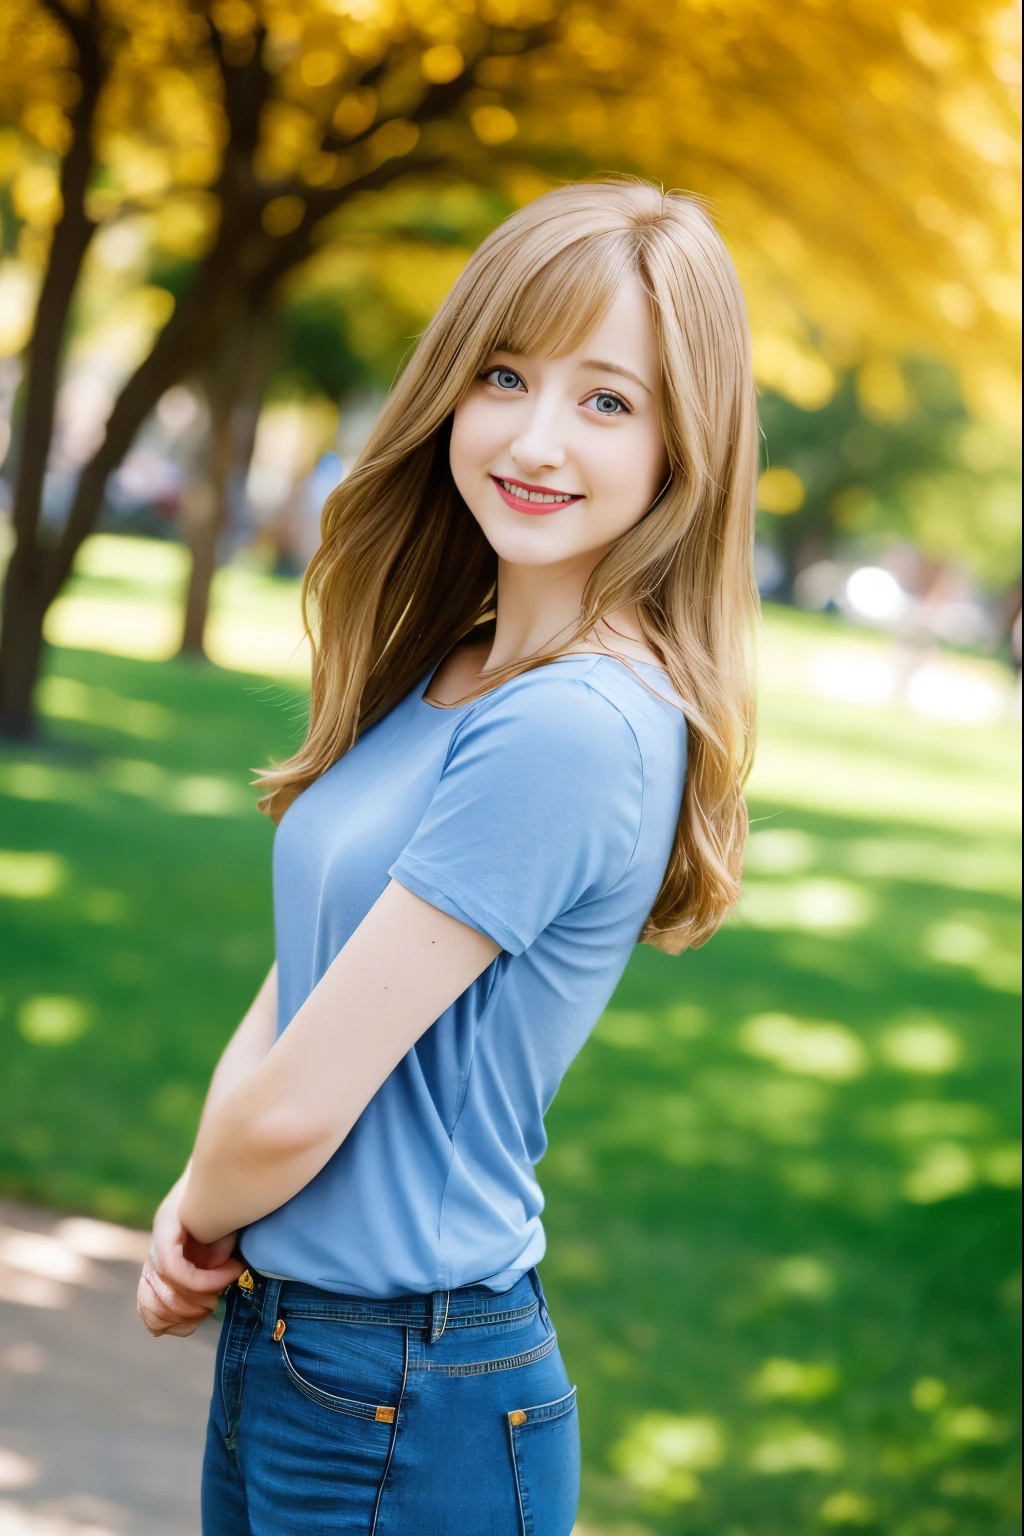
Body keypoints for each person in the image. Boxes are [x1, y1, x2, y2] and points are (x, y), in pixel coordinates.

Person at [136, 179, 759, 1535]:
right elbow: (313, 973)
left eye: (608, 401)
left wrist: (202, 1202)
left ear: (682, 445)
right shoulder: (461, 665)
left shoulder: (578, 725)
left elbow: (306, 1110)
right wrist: (210, 1191)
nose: (538, 438)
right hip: (307, 1353)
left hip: (409, 1393)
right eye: (505, 375)